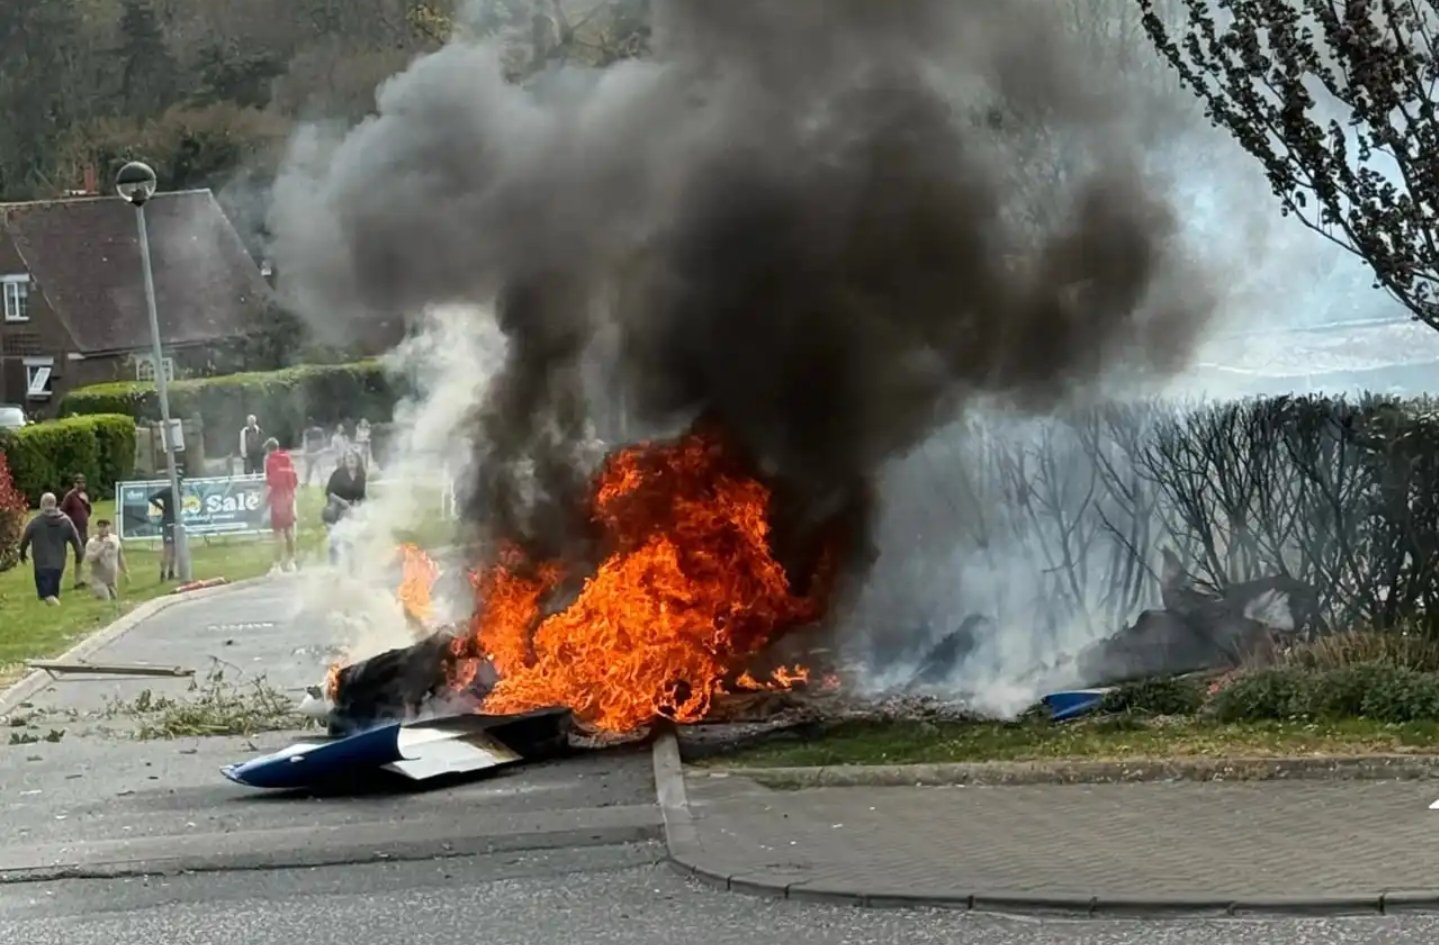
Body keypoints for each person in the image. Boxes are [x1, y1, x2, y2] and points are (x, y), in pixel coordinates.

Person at [18, 493, 83, 605]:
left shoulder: (36, 522)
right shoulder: (66, 521)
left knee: (46, 596)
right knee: (52, 594)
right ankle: (56, 611)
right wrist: (79, 557)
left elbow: (25, 540)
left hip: (41, 564)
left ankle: (59, 608)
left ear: (42, 504)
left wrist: (22, 554)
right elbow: (77, 543)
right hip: (59, 564)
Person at [324, 448, 367, 568]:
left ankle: (351, 567)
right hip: (336, 509)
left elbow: (362, 496)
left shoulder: (361, 476)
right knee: (335, 538)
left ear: (358, 460)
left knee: (350, 539)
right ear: (345, 460)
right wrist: (343, 503)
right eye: (348, 457)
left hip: (352, 510)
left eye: (353, 457)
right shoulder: (338, 474)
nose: (351, 459)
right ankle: (333, 567)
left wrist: (357, 507)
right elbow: (329, 493)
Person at [263, 437, 299, 574]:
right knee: (289, 532)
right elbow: (294, 481)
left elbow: (270, 483)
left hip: (277, 499)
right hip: (289, 497)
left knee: (278, 534)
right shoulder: (288, 459)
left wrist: (264, 501)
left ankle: (277, 565)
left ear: (268, 449)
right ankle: (291, 562)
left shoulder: (270, 461)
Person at [59, 473, 92, 586]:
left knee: (82, 554)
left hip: (83, 529)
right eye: (78, 482)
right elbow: (62, 511)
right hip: (74, 530)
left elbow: (88, 512)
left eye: (82, 482)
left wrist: (86, 503)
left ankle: (80, 579)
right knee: (79, 552)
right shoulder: (70, 496)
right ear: (74, 484)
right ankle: (77, 580)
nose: (81, 485)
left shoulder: (84, 496)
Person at [83, 519, 127, 600]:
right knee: (106, 598)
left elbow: (120, 555)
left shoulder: (114, 539)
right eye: (101, 526)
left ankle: (98, 600)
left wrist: (126, 572)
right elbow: (90, 558)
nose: (103, 529)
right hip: (98, 579)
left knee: (114, 600)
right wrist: (102, 548)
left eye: (105, 526)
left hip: (112, 579)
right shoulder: (92, 542)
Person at [148, 479, 182, 582]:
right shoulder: (167, 491)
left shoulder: (179, 491)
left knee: (175, 549)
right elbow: (151, 498)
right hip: (168, 523)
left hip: (176, 522)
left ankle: (171, 572)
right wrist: (162, 508)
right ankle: (163, 573)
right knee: (168, 549)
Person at [301, 418, 328, 486]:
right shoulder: (320, 430)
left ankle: (306, 482)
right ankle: (322, 481)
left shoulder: (307, 432)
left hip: (310, 452)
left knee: (309, 469)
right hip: (318, 452)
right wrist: (322, 449)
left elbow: (305, 443)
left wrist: (304, 453)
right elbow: (323, 441)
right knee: (319, 468)